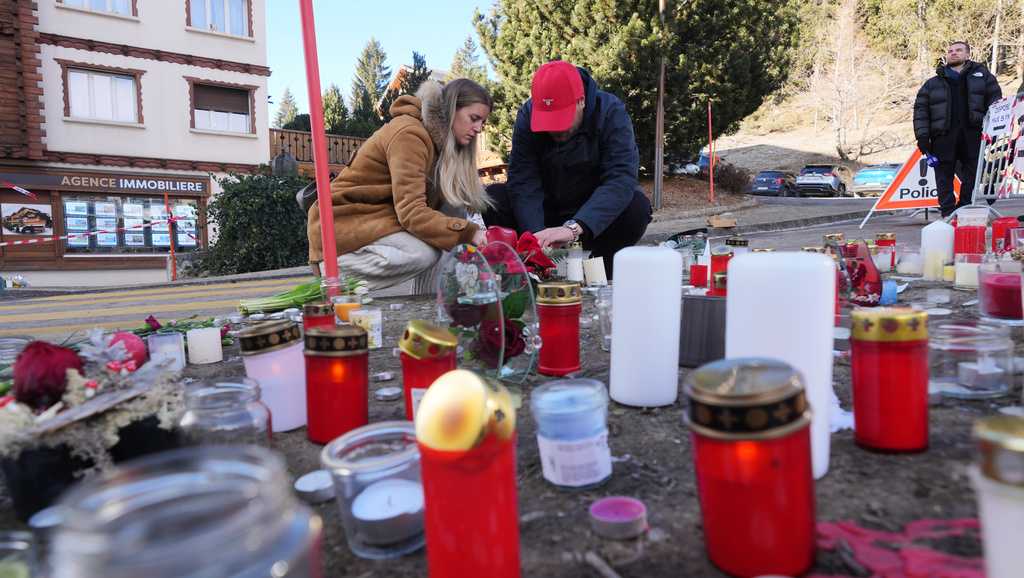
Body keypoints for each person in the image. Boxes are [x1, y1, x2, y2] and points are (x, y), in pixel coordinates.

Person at [306, 79, 491, 293]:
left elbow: (447, 218)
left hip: (380, 220)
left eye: (482, 122)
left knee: (446, 239)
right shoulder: (410, 135)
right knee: (423, 253)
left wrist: (466, 235)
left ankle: (427, 308)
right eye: (474, 119)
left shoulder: (443, 148)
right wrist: (468, 233)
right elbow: (411, 213)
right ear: (451, 109)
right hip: (342, 223)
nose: (478, 129)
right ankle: (334, 274)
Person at [484, 60, 651, 277]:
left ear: (581, 101)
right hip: (546, 212)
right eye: (547, 121)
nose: (554, 130)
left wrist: (574, 228)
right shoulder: (527, 115)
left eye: (560, 120)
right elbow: (523, 180)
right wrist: (536, 237)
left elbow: (620, 179)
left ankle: (599, 272)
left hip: (591, 217)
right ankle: (530, 268)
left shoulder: (610, 112)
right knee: (493, 198)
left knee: (636, 207)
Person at [913, 41, 1001, 217]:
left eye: (958, 50)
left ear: (967, 55)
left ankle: (964, 208)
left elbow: (996, 103)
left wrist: (994, 129)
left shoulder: (984, 77)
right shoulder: (932, 84)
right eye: (950, 51)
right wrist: (922, 137)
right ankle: (947, 212)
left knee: (972, 173)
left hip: (973, 133)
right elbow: (920, 111)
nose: (953, 53)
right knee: (943, 175)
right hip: (942, 135)